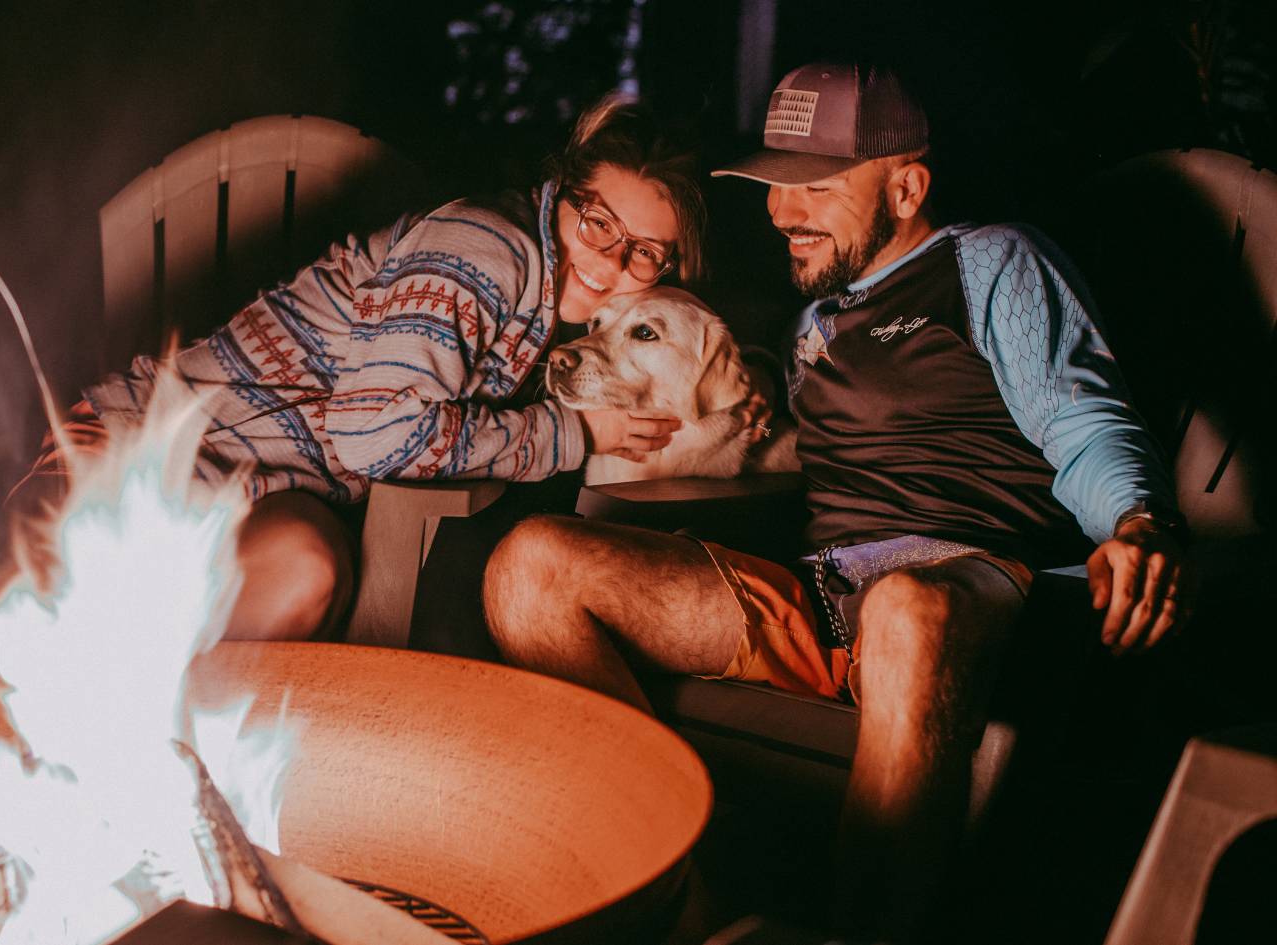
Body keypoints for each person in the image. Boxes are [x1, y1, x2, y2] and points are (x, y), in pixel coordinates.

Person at [482, 62, 1194, 941]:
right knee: (530, 568)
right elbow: (778, 432)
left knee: (905, 608)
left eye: (815, 187)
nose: (782, 212)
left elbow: (1081, 416)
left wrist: (1138, 520)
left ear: (906, 188)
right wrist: (750, 389)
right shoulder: (813, 324)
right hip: (826, 599)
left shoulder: (989, 263)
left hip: (973, 586)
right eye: (773, 187)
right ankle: (683, 899)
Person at [0, 94, 707, 649]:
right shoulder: (485, 250)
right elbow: (375, 435)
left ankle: (137, 713)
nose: (612, 260)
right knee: (57, 612)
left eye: (646, 251)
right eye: (598, 221)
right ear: (563, 193)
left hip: (259, 490)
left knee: (309, 572)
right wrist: (575, 435)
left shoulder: (558, 307)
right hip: (137, 453)